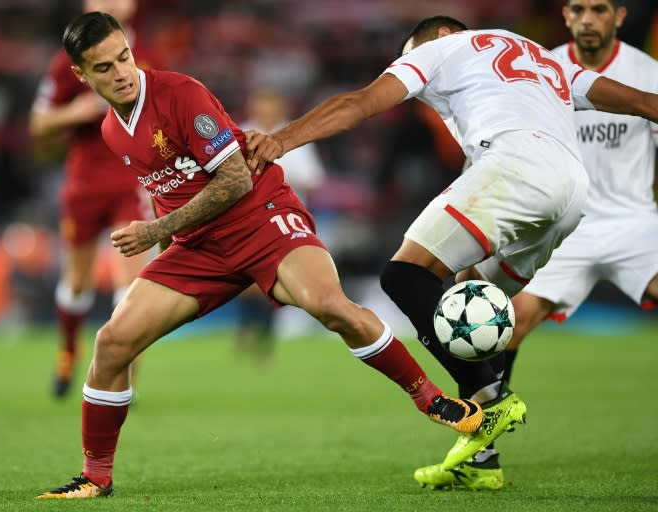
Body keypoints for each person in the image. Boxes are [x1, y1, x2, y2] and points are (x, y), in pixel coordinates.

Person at [36, 12, 487, 499]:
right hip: (197, 247)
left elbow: (236, 179)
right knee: (111, 343)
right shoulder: (111, 130)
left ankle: (431, 399)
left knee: (330, 306)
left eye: (124, 57)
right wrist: (167, 251)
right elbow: (168, 193)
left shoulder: (181, 94)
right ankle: (95, 477)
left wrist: (157, 231)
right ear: (81, 76)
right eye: (104, 68)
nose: (121, 72)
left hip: (260, 218)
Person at [246, 14, 658, 487]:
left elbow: (360, 103)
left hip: (516, 166)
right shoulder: (539, 56)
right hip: (570, 191)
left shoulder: (444, 48)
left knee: (404, 276)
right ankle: (480, 462)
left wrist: (281, 139)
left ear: (438, 36)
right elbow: (641, 102)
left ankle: (491, 399)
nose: (415, 82)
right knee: (471, 296)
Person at [414, 0, 658, 490]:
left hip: (635, 220)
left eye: (599, 9)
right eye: (578, 9)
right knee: (503, 321)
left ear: (619, 17)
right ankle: (481, 457)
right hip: (564, 226)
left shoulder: (646, 73)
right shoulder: (537, 66)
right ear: (565, 16)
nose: (588, 19)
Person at [30, 0, 162, 398]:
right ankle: (67, 354)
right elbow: (39, 125)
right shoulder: (68, 61)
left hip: (132, 181)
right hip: (84, 183)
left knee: (132, 283)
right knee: (76, 281)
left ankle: (125, 375)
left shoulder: (152, 57)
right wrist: (78, 111)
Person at [234, 87, 327, 364]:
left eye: (269, 104)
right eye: (259, 103)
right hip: (249, 217)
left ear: (280, 108)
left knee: (276, 278)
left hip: (286, 218)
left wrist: (275, 174)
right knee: (247, 281)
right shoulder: (240, 133)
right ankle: (247, 330)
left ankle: (264, 335)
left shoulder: (293, 137)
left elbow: (313, 179)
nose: (264, 109)